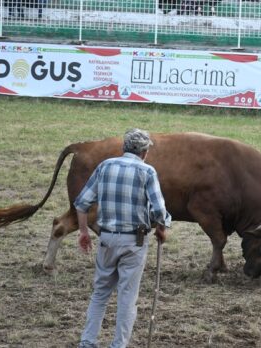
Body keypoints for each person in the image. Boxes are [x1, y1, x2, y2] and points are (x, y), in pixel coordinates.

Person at [76, 128, 171, 348]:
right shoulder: (147, 172)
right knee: (127, 298)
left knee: (100, 293)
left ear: (124, 147)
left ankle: (87, 342)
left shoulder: (105, 166)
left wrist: (83, 232)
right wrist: (162, 227)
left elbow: (82, 203)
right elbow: (159, 210)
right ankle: (118, 345)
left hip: (107, 238)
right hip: (134, 241)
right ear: (144, 152)